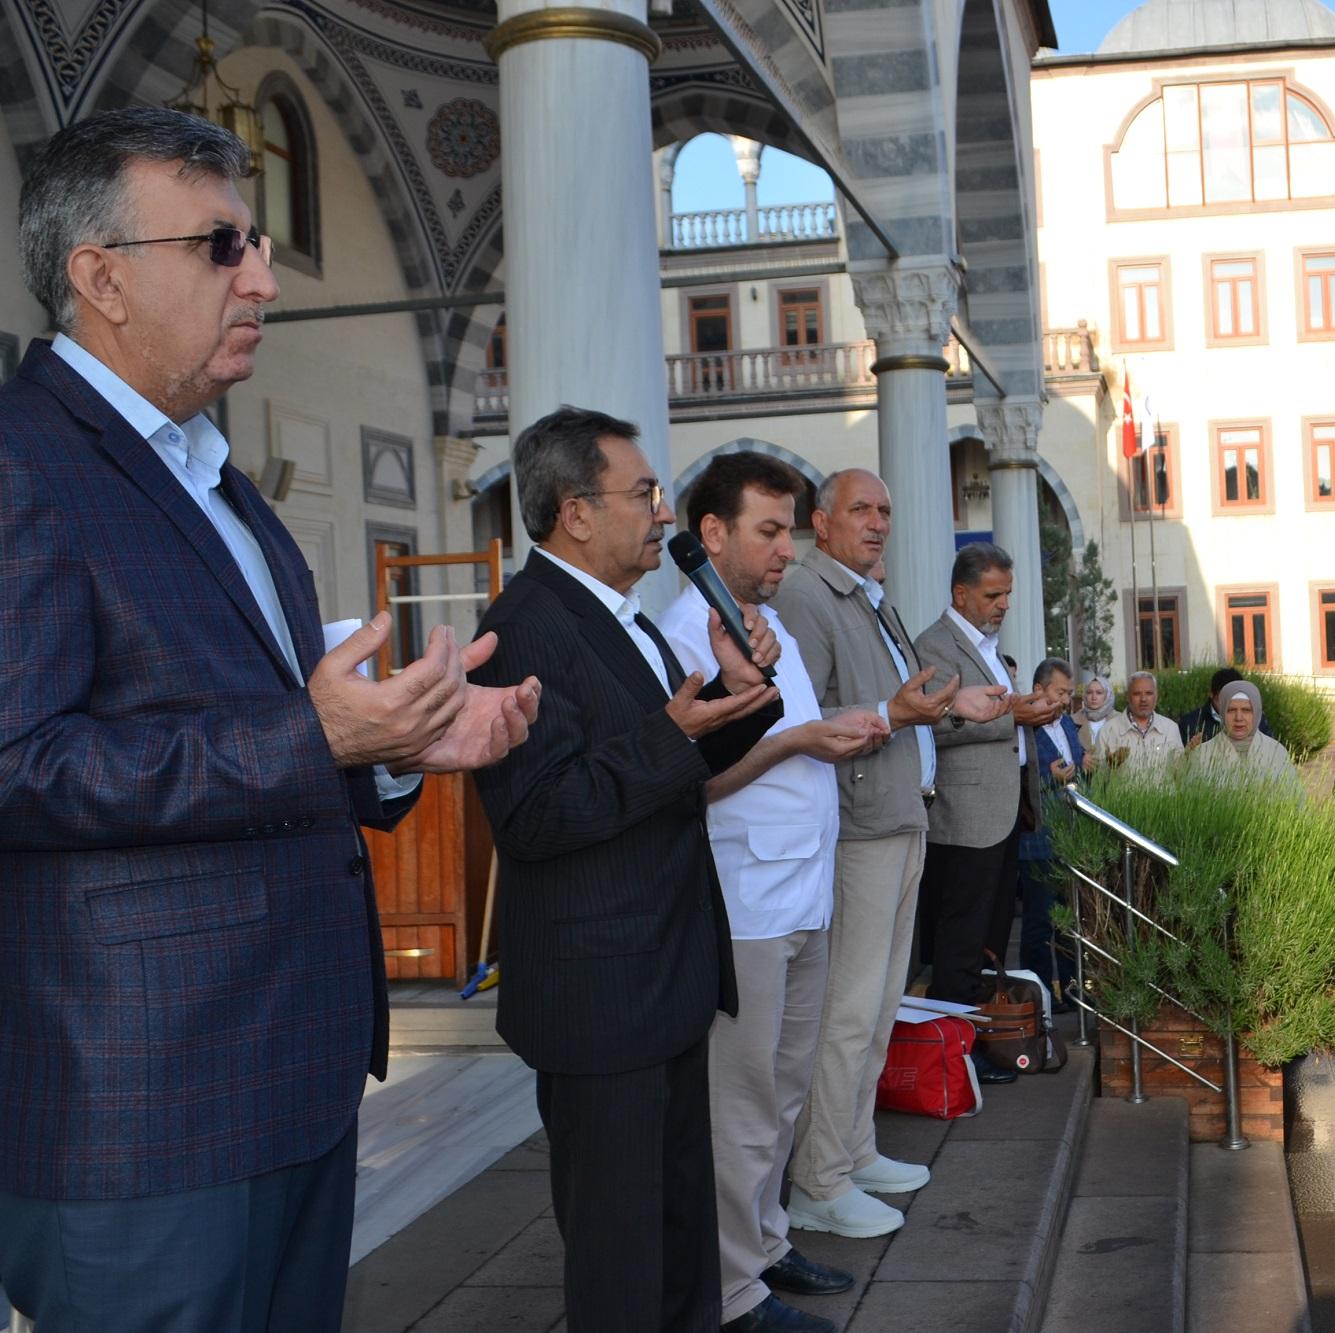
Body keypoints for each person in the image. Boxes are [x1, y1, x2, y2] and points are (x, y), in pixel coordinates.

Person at [0, 107, 538, 1333]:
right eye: (222, 245)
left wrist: (398, 750)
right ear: (103, 279)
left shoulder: (213, 478)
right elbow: (17, 764)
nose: (265, 276)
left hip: (286, 1078)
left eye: (258, 239)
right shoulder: (21, 462)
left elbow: (282, 730)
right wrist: (314, 740)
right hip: (141, 1110)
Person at [466, 408, 782, 1330]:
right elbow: (533, 815)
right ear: (574, 512)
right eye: (642, 493)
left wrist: (736, 696)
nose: (662, 511)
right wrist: (672, 733)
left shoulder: (618, 618)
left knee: (680, 1234)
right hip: (600, 996)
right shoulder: (522, 629)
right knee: (619, 1260)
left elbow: (672, 766)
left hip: (665, 974)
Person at [661, 454, 892, 1333]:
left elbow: (790, 738)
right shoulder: (689, 635)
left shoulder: (770, 627)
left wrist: (835, 734)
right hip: (747, 898)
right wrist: (802, 741)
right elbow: (696, 781)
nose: (786, 548)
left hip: (802, 890)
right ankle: (729, 1289)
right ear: (712, 533)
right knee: (744, 1100)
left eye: (790, 529)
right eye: (768, 529)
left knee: (784, 1091)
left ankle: (764, 1240)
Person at [770, 469, 1008, 1240]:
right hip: (859, 827)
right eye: (861, 510)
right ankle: (818, 1180)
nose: (878, 523)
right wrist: (895, 711)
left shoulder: (868, 593)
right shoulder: (808, 597)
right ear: (822, 520)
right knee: (846, 1011)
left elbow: (899, 706)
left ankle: (854, 1149)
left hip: (899, 818)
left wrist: (953, 704)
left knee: (876, 1008)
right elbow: (794, 716)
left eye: (886, 510)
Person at [914, 543, 1061, 1059]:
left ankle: (979, 1045)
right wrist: (1015, 716)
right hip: (963, 819)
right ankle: (953, 1057)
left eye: (1008, 595)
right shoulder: (935, 645)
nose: (1003, 605)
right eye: (992, 595)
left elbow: (1000, 717)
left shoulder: (990, 647)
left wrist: (1034, 710)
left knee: (992, 940)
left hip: (1004, 814)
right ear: (961, 593)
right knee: (959, 945)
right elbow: (930, 725)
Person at [1020, 657, 1087, 998]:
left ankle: (1074, 991)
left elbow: (1077, 765)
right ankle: (1040, 997)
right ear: (1038, 689)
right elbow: (1016, 776)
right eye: (1060, 692)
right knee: (1038, 923)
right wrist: (1049, 775)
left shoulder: (1066, 725)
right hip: (1036, 842)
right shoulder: (1022, 729)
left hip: (1069, 839)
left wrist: (1086, 765)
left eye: (1069, 693)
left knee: (1070, 921)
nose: (1065, 700)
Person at [1185, 680, 1302, 796]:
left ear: (1256, 713)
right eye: (1231, 710)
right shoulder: (1202, 754)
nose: (1239, 718)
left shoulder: (1276, 752)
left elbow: (1295, 802)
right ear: (1221, 713)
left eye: (1246, 710)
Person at [1092, 670, 1181, 775]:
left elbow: (1181, 774)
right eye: (1137, 694)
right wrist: (1110, 766)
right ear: (1128, 696)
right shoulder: (1107, 732)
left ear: (1156, 696)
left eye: (1149, 693)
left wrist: (1191, 754)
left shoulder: (1171, 728)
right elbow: (1097, 781)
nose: (1143, 699)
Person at [1178, 666, 1275, 746]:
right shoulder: (1191, 722)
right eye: (1224, 698)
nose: (1238, 717)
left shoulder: (1256, 717)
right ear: (1212, 694)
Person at [1076, 672, 1115, 748]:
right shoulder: (1073, 721)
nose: (1094, 697)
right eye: (1089, 692)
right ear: (1085, 695)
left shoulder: (1119, 719)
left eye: (1099, 693)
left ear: (1107, 695)